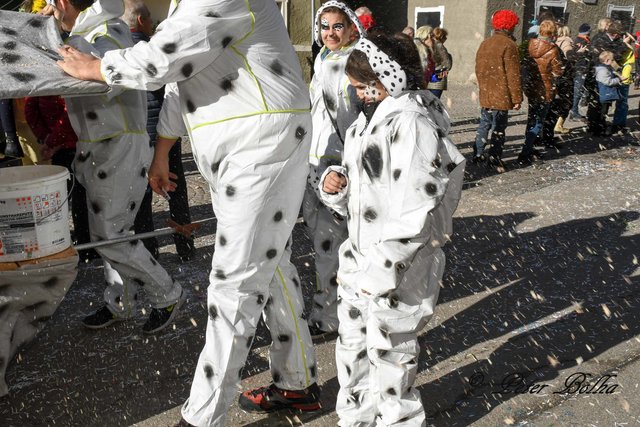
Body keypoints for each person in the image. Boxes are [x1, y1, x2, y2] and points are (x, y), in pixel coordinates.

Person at [56, 0, 318, 425]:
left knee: (234, 282)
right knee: (270, 267)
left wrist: (97, 67)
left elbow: (165, 57)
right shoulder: (187, 6)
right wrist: (162, 150)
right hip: (242, 147)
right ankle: (296, 379)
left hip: (261, 146)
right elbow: (183, 78)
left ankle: (202, 417)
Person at [319, 31, 465, 427]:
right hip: (359, 257)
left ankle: (398, 420)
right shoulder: (363, 125)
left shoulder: (413, 126)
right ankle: (356, 417)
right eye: (354, 88)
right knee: (353, 347)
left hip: (400, 265)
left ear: (390, 78)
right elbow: (363, 192)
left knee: (391, 351)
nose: (358, 95)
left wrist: (384, 269)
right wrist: (337, 187)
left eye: (363, 86)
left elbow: (417, 209)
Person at [41, 0, 185, 334]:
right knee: (107, 233)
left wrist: (56, 44)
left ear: (61, 2)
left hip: (118, 145)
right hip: (97, 146)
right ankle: (122, 301)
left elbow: (111, 80)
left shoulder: (107, 29)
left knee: (110, 235)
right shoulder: (88, 30)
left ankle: (167, 293)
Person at [304, 1, 365, 338]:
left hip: (339, 167)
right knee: (323, 244)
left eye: (337, 26)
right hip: (315, 164)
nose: (330, 32)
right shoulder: (322, 59)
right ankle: (331, 309)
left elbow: (362, 117)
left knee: (334, 246)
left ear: (351, 27)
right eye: (324, 26)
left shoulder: (358, 61)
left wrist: (344, 164)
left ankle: (332, 314)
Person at [122, 0, 196, 261]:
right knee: (176, 189)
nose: (153, 23)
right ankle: (185, 246)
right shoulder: (155, 50)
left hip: (137, 133)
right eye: (150, 18)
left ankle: (148, 250)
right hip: (164, 130)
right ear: (142, 21)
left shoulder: (121, 52)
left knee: (141, 193)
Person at [472, 9, 522, 171]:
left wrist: (483, 87)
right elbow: (513, 74)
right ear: (509, 26)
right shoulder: (509, 45)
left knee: (484, 124)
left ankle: (478, 154)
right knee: (499, 129)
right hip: (501, 94)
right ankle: (494, 158)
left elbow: (479, 69)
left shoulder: (485, 43)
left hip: (487, 92)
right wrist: (517, 98)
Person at [520, 19, 563, 165]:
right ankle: (526, 152)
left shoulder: (529, 45)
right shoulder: (553, 49)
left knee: (531, 119)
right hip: (545, 89)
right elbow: (557, 71)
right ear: (553, 33)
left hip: (531, 87)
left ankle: (528, 146)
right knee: (538, 121)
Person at [588, 20, 634, 136]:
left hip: (605, 73)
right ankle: (595, 128)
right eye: (619, 35)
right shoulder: (601, 40)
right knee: (599, 103)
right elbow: (611, 58)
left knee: (605, 102)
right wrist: (624, 45)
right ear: (615, 34)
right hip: (600, 75)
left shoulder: (611, 39)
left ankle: (599, 124)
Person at [595, 50, 623, 131]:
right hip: (604, 94)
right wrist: (619, 79)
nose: (613, 61)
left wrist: (618, 74)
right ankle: (600, 128)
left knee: (605, 110)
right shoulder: (602, 70)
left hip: (606, 94)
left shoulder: (606, 67)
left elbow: (612, 72)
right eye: (612, 60)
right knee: (603, 111)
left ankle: (602, 124)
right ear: (607, 60)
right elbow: (608, 82)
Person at [570, 23, 591, 121]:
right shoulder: (581, 41)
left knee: (580, 91)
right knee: (577, 92)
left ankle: (574, 111)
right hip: (580, 69)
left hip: (582, 68)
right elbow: (579, 56)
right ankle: (574, 112)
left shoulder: (582, 40)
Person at [426, 27, 451, 99]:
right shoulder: (439, 45)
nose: (446, 39)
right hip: (438, 78)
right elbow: (447, 64)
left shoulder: (427, 44)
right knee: (435, 100)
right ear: (441, 37)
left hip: (428, 77)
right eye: (445, 37)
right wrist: (449, 57)